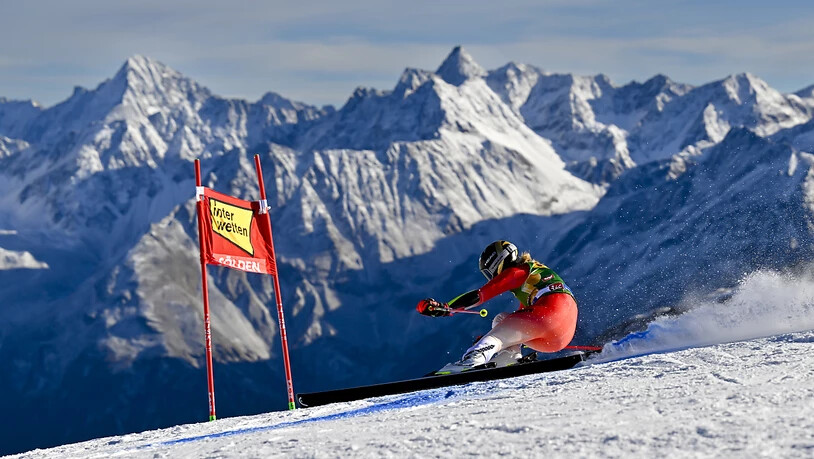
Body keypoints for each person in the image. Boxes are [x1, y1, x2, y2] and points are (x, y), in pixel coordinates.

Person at [416, 240, 578, 373]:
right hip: (562, 331)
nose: (490, 278)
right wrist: (499, 338)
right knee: (502, 319)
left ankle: (472, 360)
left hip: (549, 314)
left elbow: (481, 294)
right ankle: (509, 357)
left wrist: (446, 307)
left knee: (496, 335)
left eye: (488, 273)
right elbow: (521, 321)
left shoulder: (516, 271)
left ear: (496, 263)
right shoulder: (534, 271)